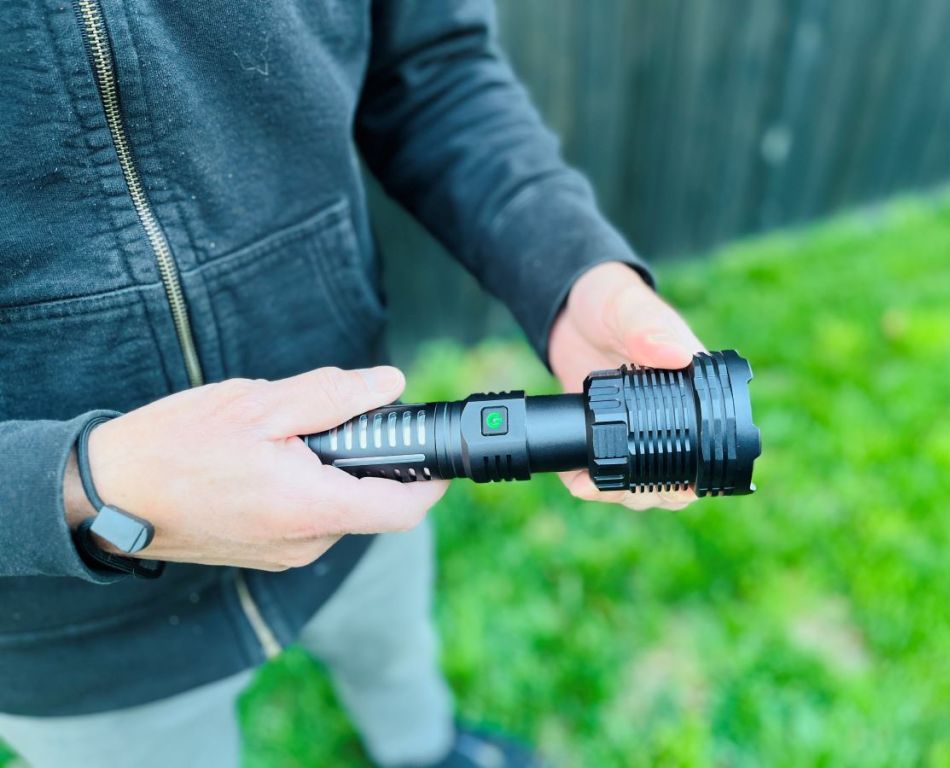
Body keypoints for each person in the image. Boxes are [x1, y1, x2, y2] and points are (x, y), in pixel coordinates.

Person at [0, 1, 703, 766]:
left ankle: (428, 751)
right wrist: (77, 486)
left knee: (399, 661)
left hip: (368, 476)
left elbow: (432, 69)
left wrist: (568, 276)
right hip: (60, 626)